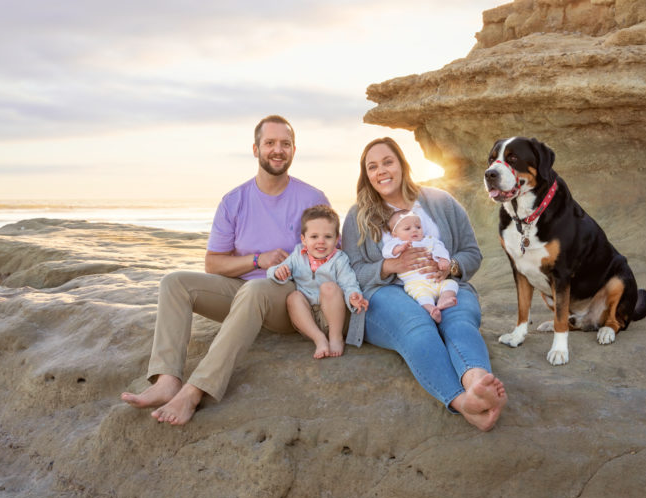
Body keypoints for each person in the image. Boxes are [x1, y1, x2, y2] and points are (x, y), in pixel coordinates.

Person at [121, 115, 329, 425]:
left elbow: (332, 257)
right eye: (270, 143)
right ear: (256, 148)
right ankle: (167, 381)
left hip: (288, 301)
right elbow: (213, 263)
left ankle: (195, 390)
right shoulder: (234, 201)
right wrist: (257, 260)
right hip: (242, 293)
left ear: (294, 150)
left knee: (256, 289)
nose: (277, 150)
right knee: (174, 282)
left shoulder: (312, 199)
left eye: (285, 144)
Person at [341, 137, 507, 431]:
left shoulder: (441, 202)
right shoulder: (358, 216)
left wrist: (450, 267)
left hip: (443, 283)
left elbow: (472, 253)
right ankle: (463, 403)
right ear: (366, 175)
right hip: (385, 293)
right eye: (372, 166)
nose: (381, 171)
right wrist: (390, 266)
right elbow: (351, 270)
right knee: (418, 326)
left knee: (458, 323)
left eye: (388, 162)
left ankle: (478, 384)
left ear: (402, 165)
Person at [267, 205, 368, 359]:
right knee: (293, 297)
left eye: (327, 237)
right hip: (307, 320)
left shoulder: (339, 259)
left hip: (334, 318)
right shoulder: (297, 256)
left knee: (329, 287)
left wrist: (353, 296)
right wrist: (277, 272)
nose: (321, 242)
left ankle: (335, 338)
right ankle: (319, 339)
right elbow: (274, 270)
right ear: (304, 239)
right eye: (314, 237)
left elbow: (349, 284)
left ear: (336, 239)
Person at [382, 209, 458, 323]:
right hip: (416, 284)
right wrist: (399, 249)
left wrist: (443, 260)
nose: (414, 230)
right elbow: (386, 252)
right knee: (421, 296)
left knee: (451, 284)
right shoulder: (396, 243)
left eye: (418, 227)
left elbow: (440, 248)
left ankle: (444, 300)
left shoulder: (429, 240)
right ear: (395, 234)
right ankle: (432, 309)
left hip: (436, 279)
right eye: (407, 228)